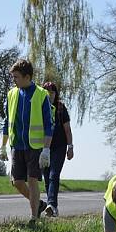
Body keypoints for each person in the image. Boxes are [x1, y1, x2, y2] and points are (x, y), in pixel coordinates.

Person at [0, 59, 52, 225]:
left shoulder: (41, 94)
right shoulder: (11, 94)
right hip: (17, 145)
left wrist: (46, 149)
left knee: (32, 180)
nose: (13, 80)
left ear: (27, 77)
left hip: (35, 146)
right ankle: (39, 204)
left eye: (16, 77)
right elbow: (7, 122)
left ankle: (34, 217)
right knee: (17, 182)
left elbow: (49, 124)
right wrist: (3, 146)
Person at [40, 81, 74, 217]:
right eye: (47, 92)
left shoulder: (61, 108)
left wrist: (70, 147)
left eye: (52, 92)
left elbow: (67, 129)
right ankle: (52, 206)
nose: (50, 94)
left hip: (59, 147)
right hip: (43, 147)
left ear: (56, 94)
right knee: (47, 177)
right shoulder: (39, 107)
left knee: (54, 175)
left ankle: (52, 205)